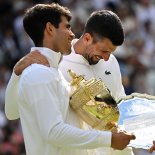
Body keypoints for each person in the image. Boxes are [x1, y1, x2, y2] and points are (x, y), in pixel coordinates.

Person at [5, 6, 135, 155]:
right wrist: (16, 73)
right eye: (67, 27)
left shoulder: (54, 71)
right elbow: (52, 131)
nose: (72, 34)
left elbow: (121, 108)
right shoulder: (43, 71)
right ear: (50, 29)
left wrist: (144, 137)